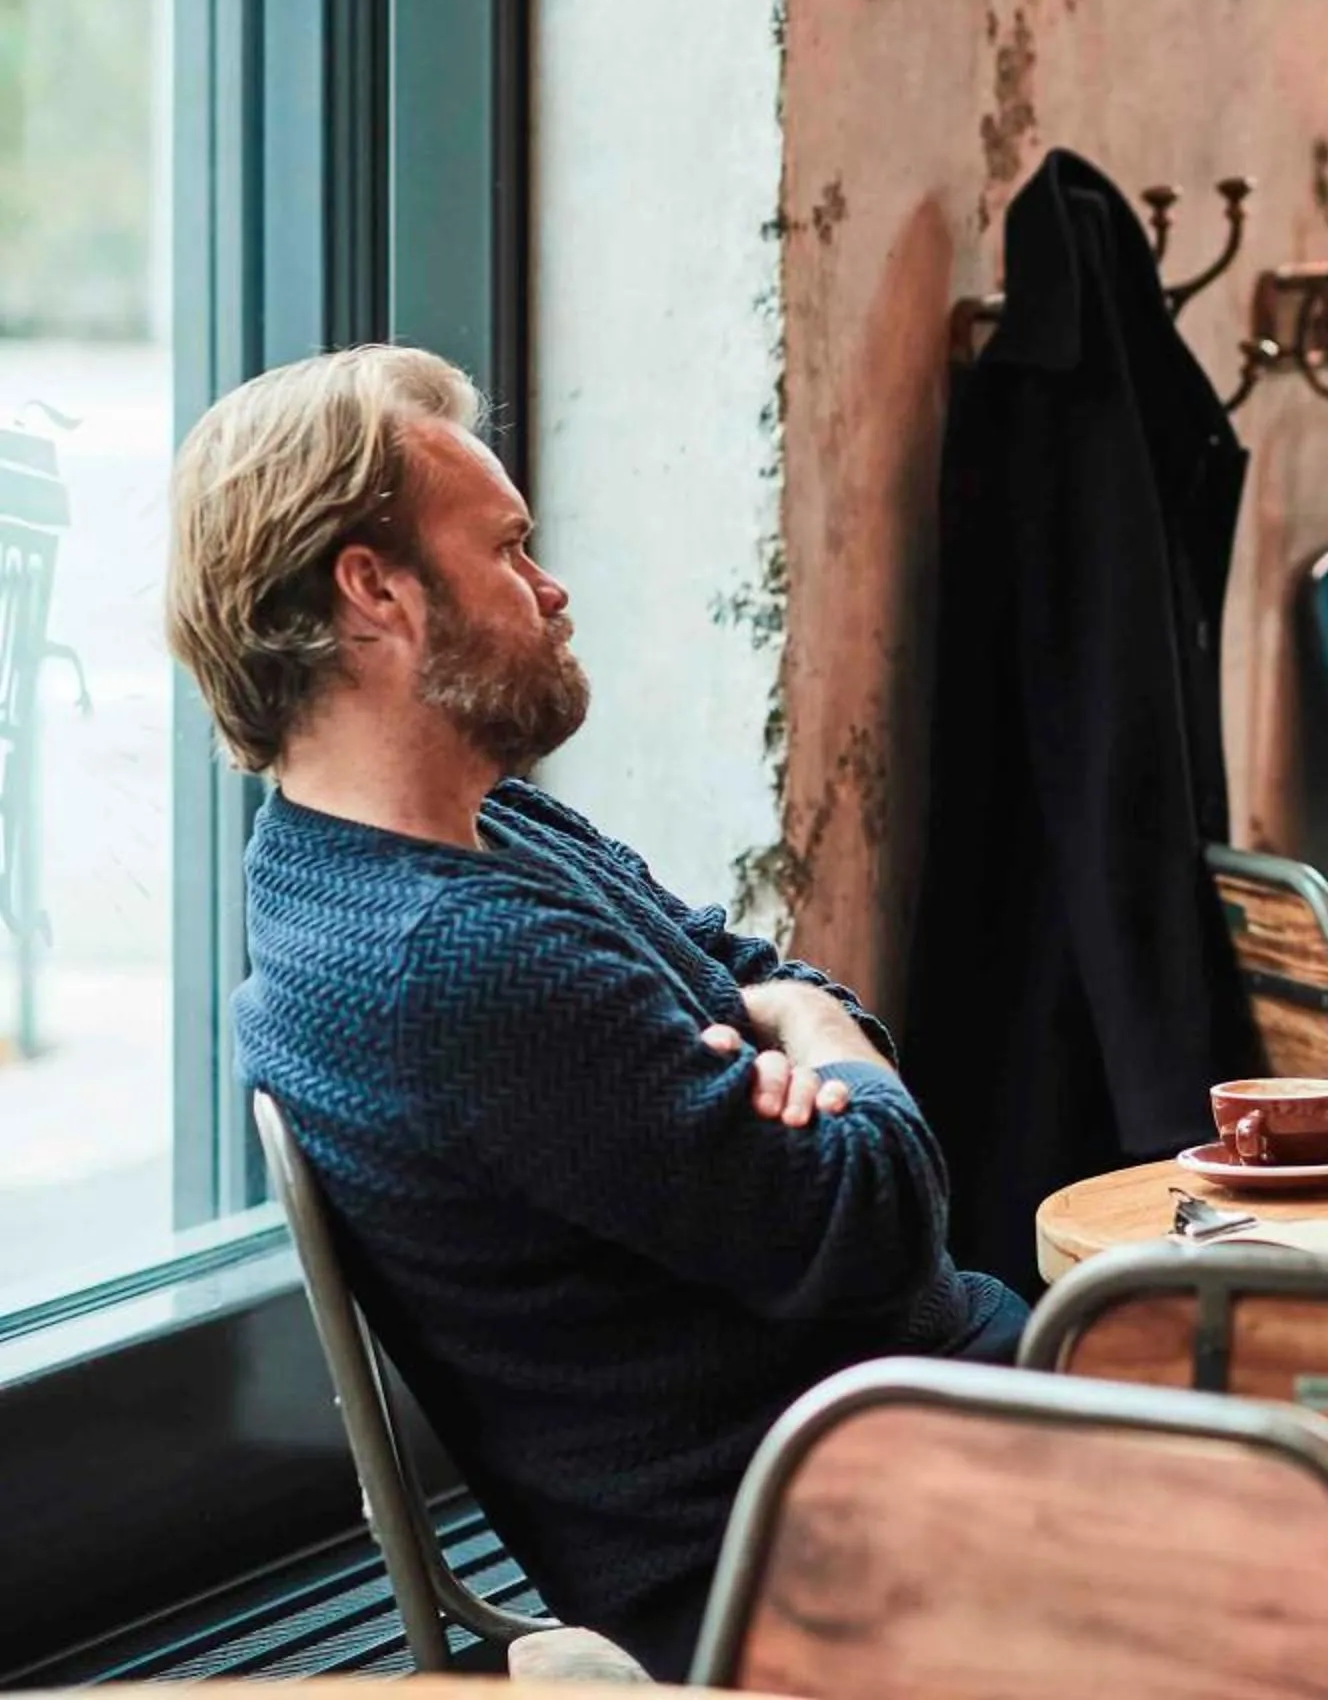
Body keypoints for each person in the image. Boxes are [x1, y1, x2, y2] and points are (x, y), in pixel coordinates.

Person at [165, 346, 1029, 1677]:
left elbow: (763, 973)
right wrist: (811, 1034)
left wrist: (798, 1020)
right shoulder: (453, 962)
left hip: (922, 1431)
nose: (553, 589)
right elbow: (879, 1214)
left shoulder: (446, 836)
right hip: (840, 1531)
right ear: (376, 590)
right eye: (509, 548)